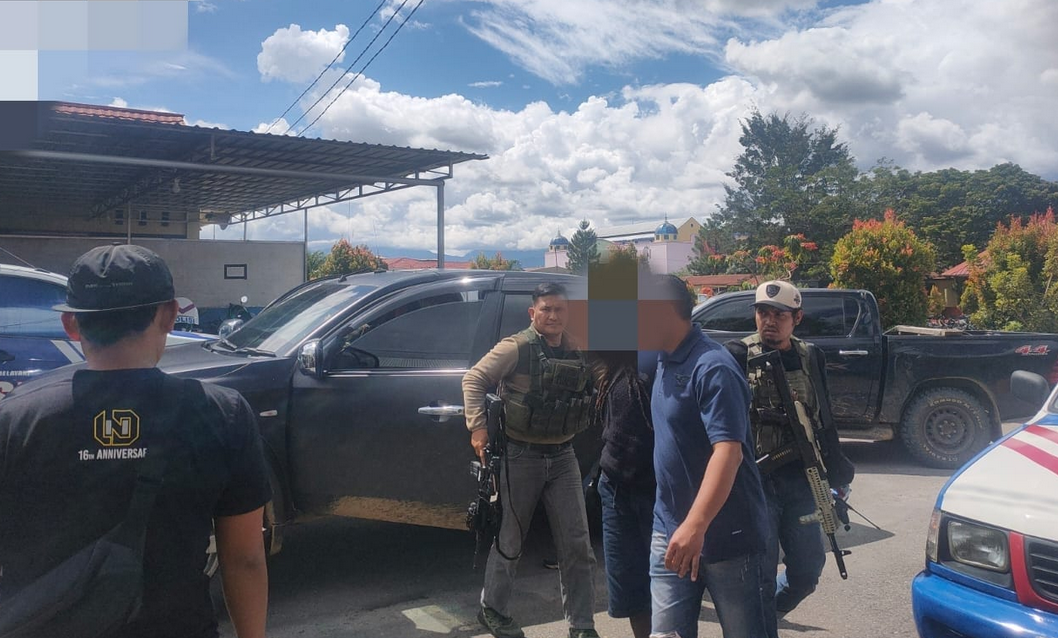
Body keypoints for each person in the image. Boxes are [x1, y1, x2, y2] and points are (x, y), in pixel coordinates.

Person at [0, 245, 271, 638]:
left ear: (71, 325)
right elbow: (245, 559)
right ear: (170, 315)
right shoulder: (223, 414)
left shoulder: (15, 419)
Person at [638, 274, 776, 638]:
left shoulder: (713, 367)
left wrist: (696, 525)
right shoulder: (664, 358)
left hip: (728, 537)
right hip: (669, 530)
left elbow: (728, 453)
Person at [462, 282, 603, 638]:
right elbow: (474, 378)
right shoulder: (517, 347)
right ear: (533, 312)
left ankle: (582, 625)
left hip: (563, 456)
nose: (553, 316)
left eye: (560, 309)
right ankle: (493, 609)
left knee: (577, 545)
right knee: (509, 540)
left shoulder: (578, 347)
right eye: (546, 309)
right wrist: (478, 429)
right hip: (520, 455)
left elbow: (604, 378)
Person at [724, 279, 856, 614]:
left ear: (797, 318)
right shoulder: (737, 355)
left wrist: (836, 470)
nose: (769, 321)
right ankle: (761, 624)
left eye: (779, 315)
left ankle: (767, 615)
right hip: (757, 482)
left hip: (802, 480)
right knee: (761, 575)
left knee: (808, 572)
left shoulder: (810, 356)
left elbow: (823, 415)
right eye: (762, 313)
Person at [596, 350, 657, 638]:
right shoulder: (616, 359)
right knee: (632, 591)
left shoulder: (665, 355)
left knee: (671, 588)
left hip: (660, 492)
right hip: (616, 488)